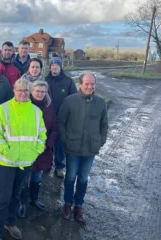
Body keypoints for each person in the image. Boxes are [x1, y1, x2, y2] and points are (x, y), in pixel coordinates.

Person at [0, 78, 47, 240]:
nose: (22, 93)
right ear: (14, 91)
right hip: (6, 162)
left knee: (16, 195)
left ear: (30, 93)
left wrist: (36, 151)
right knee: (4, 197)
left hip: (25, 162)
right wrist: (5, 151)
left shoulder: (36, 111)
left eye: (26, 90)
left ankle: (10, 222)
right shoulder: (3, 109)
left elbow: (42, 134)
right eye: (19, 90)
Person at [58, 73, 108, 224]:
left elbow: (104, 124)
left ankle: (78, 206)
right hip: (72, 147)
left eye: (92, 84)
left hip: (90, 149)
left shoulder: (100, 103)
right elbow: (61, 122)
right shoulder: (69, 101)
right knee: (70, 177)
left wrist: (100, 141)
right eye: (86, 84)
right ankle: (67, 204)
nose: (89, 86)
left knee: (84, 178)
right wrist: (66, 139)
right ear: (80, 84)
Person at [18, 80, 58, 218]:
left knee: (37, 175)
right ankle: (22, 202)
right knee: (24, 177)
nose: (40, 94)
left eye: (43, 91)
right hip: (26, 148)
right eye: (37, 91)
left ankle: (34, 199)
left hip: (42, 148)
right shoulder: (24, 105)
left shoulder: (49, 107)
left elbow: (54, 128)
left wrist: (48, 144)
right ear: (31, 92)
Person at [45, 56, 77, 178]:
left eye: (57, 65)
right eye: (52, 65)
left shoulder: (68, 81)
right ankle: (47, 164)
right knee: (48, 142)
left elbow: (74, 99)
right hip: (48, 117)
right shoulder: (46, 81)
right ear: (50, 67)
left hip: (62, 118)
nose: (54, 67)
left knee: (59, 143)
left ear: (60, 67)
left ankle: (59, 166)